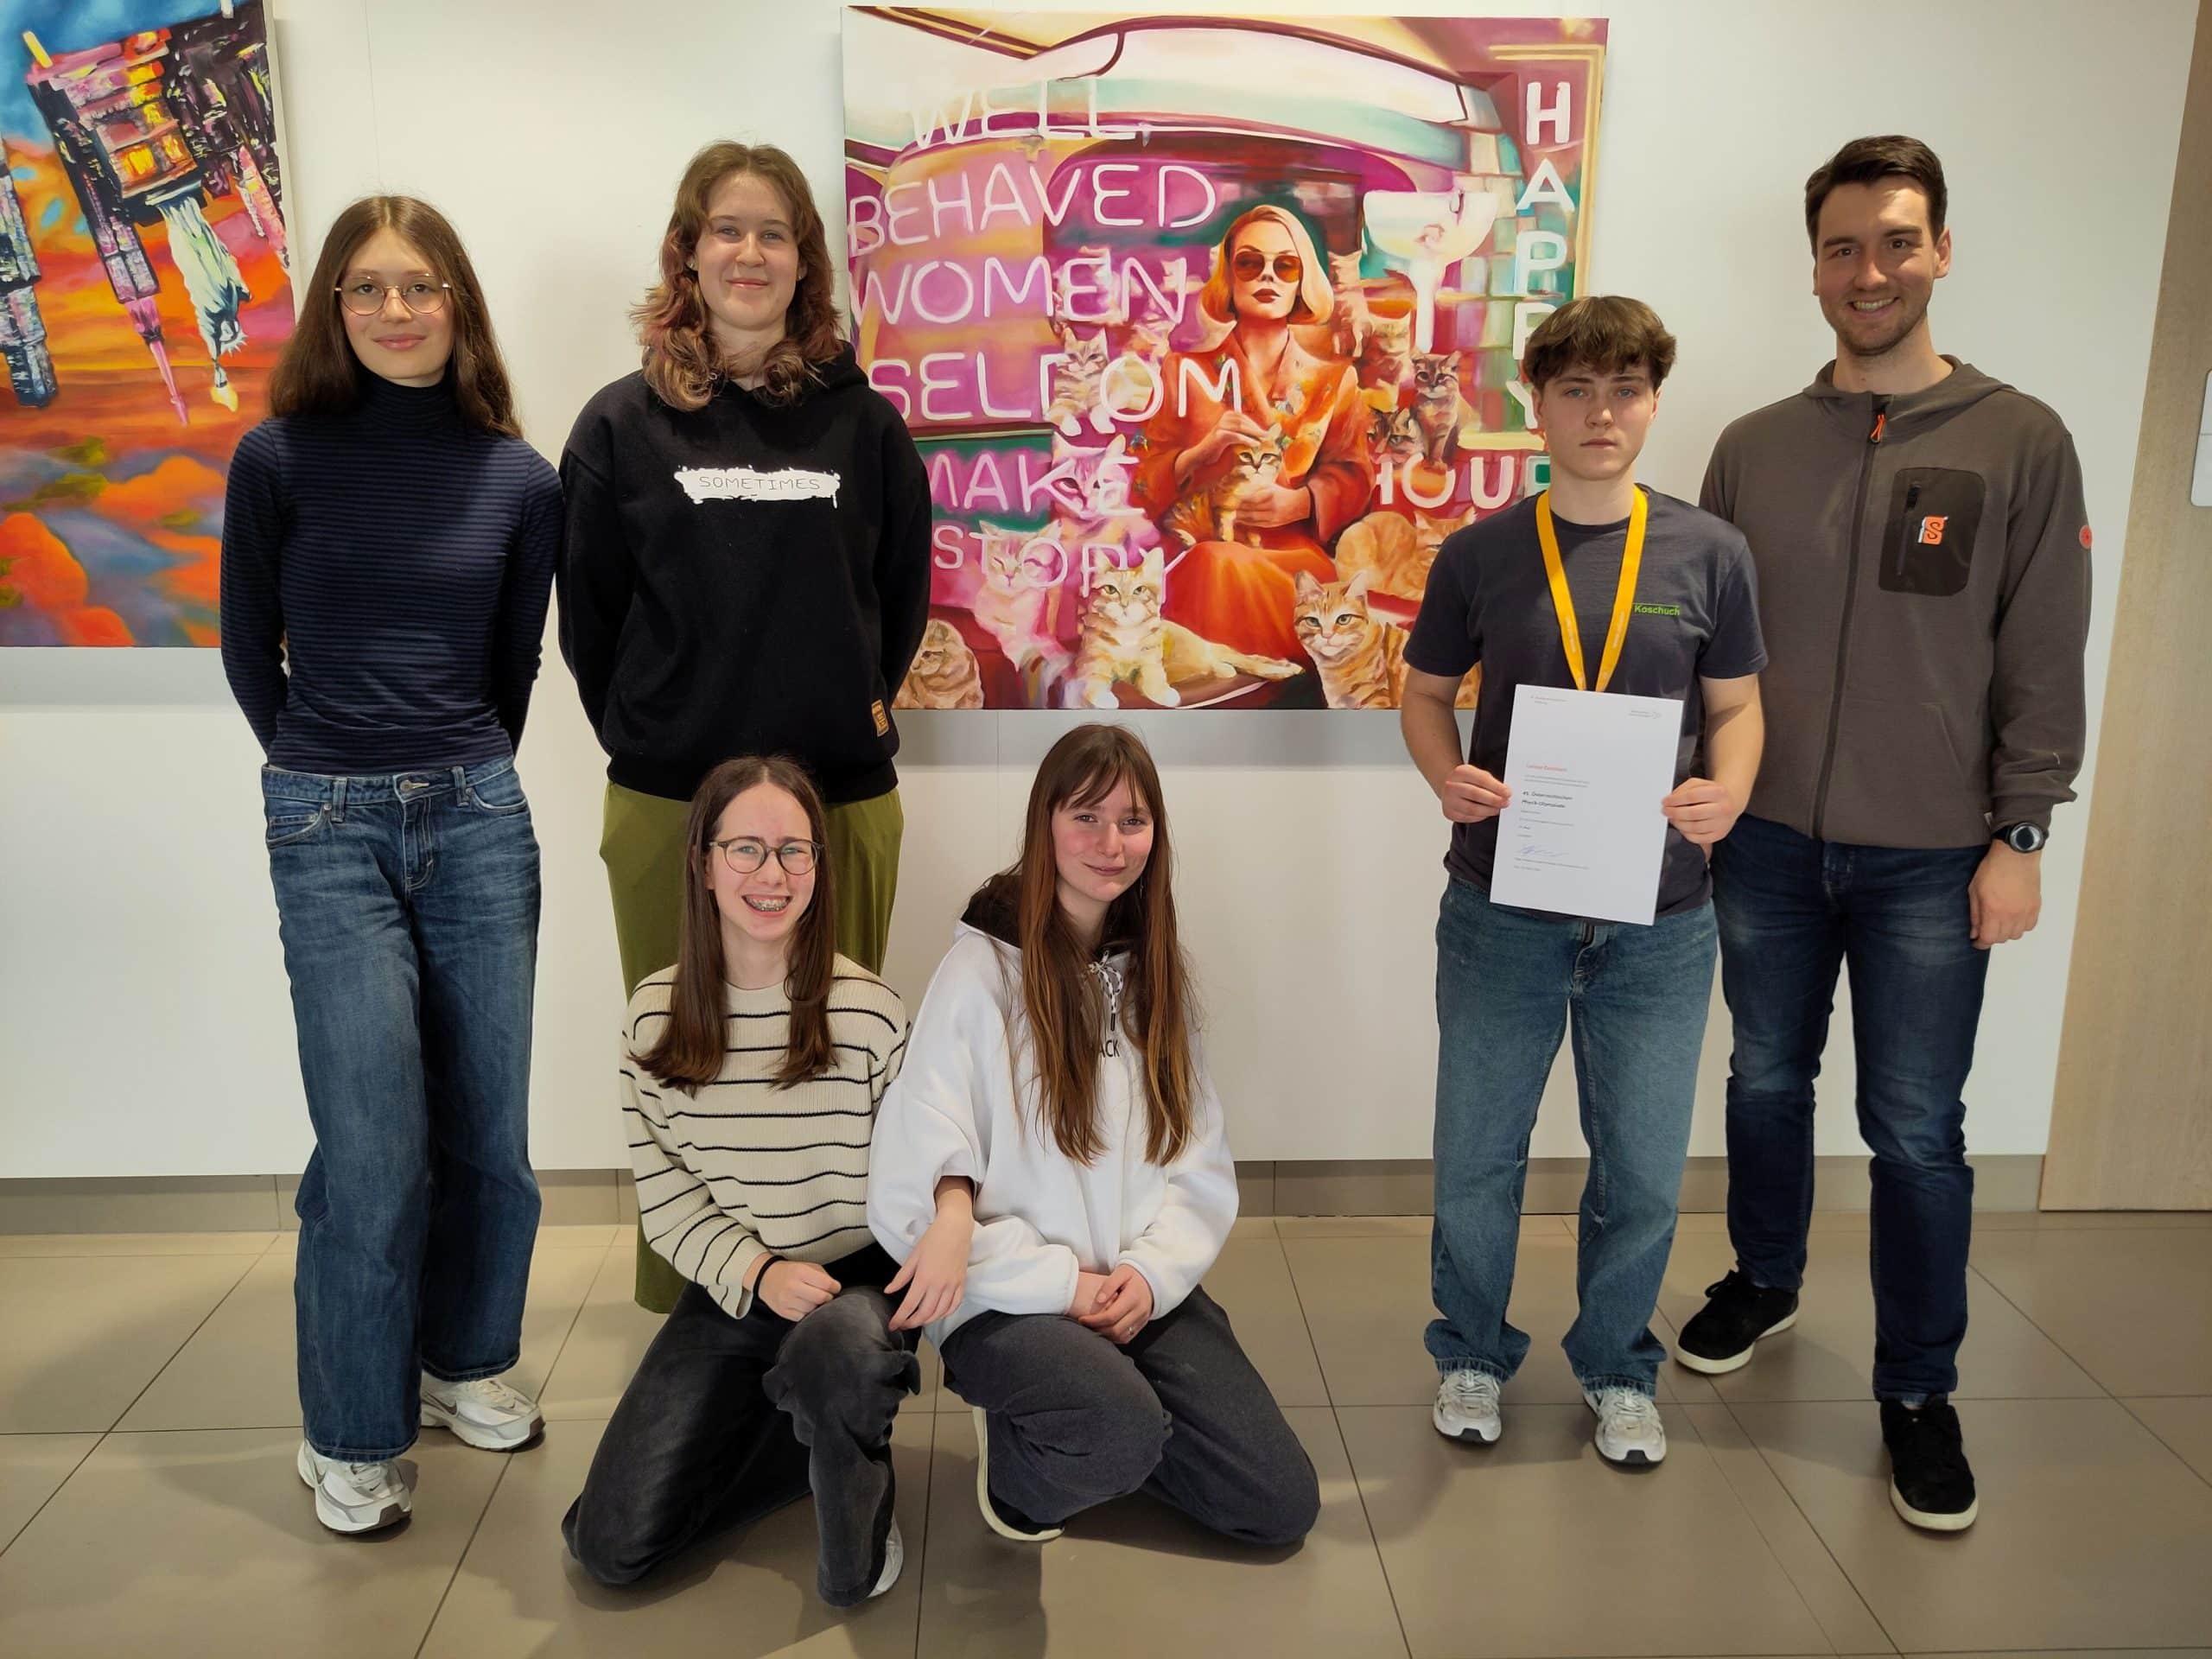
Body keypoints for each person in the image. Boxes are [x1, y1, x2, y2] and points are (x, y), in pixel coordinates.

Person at [1683, 136, 2091, 1532]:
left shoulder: (2021, 439)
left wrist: (2021, 834)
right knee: (1763, 1079)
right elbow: (1707, 651)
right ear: (1815, 267)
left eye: (1898, 242)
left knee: (1915, 1129)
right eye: (1845, 247)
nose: (1872, 271)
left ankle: (1919, 1390)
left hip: (1933, 853)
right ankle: (1766, 1278)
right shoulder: (1753, 447)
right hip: (1767, 842)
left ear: (1942, 253)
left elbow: (2043, 649)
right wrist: (1694, 793)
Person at [219, 196, 559, 1534]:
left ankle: (464, 1362)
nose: (394, 310)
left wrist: (451, 764)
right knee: (372, 1145)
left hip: (477, 812)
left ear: (457, 301)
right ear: (334, 308)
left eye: (418, 285)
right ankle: (351, 1431)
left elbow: (514, 665)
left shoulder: (520, 479)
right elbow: (249, 649)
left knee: (491, 1134)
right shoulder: (276, 459)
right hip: (326, 823)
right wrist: (325, 761)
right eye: (365, 288)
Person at [556, 140, 934, 1313]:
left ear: (805, 261)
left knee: (834, 1062)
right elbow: (589, 616)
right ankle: (693, 1309)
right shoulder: (619, 427)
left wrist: (840, 706)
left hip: (839, 799)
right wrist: (660, 724)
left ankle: (845, 1307)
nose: (750, 252)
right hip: (668, 801)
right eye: (727, 228)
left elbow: (900, 600)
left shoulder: (865, 427)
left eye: (775, 232)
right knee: (684, 1058)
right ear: (687, 251)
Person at [1400, 296, 1766, 1467]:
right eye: (1576, 390)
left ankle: (1617, 1367)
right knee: (1477, 1158)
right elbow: (1423, 694)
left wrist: (1730, 793)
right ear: (1537, 405)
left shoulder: (1711, 553)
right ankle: (1470, 1351)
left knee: (1644, 1171)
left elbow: (1737, 710)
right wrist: (1447, 775)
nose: (1601, 413)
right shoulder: (1480, 554)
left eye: (1624, 391)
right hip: (1503, 911)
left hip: (1659, 919)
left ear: (1653, 404)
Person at [868, 724, 1319, 1547]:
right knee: (1118, 1430)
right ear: (1045, 824)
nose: (1111, 844)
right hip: (1010, 1301)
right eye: (1086, 817)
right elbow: (913, 1191)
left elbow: (1200, 1165)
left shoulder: (1154, 972)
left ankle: (1103, 1426)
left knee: (1277, 1505)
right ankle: (1031, 1461)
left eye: (1133, 821)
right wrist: (1058, 1285)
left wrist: (1149, 1274)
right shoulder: (979, 973)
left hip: (1129, 1289)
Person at [563, 757, 950, 1604]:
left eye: (794, 851)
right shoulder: (654, 1018)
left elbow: (927, 1174)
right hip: (744, 1282)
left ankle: (848, 1461)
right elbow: (670, 1203)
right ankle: (808, 1430)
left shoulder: (870, 1012)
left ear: (818, 866)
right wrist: (759, 1272)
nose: (772, 874)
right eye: (745, 849)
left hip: (860, 1283)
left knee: (837, 1358)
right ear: (702, 864)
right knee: (608, 1546)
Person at [1131, 203, 1374, 661]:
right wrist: (1200, 453)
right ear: (1228, 275)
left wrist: (1301, 503)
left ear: (1302, 280)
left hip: (1291, 566)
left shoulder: (1334, 380)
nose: (1267, 276)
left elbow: (1355, 475)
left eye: (1285, 266)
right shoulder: (1181, 371)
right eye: (1249, 262)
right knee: (1211, 562)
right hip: (1199, 550)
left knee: (1219, 566)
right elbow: (1141, 480)